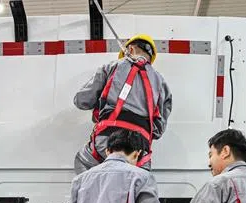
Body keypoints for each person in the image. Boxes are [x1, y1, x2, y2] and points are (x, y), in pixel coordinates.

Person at [73, 34, 172, 175]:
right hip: (139, 149)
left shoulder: (112, 67)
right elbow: (158, 130)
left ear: (130, 49)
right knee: (141, 179)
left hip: (106, 141)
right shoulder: (161, 83)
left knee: (82, 161)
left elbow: (81, 101)